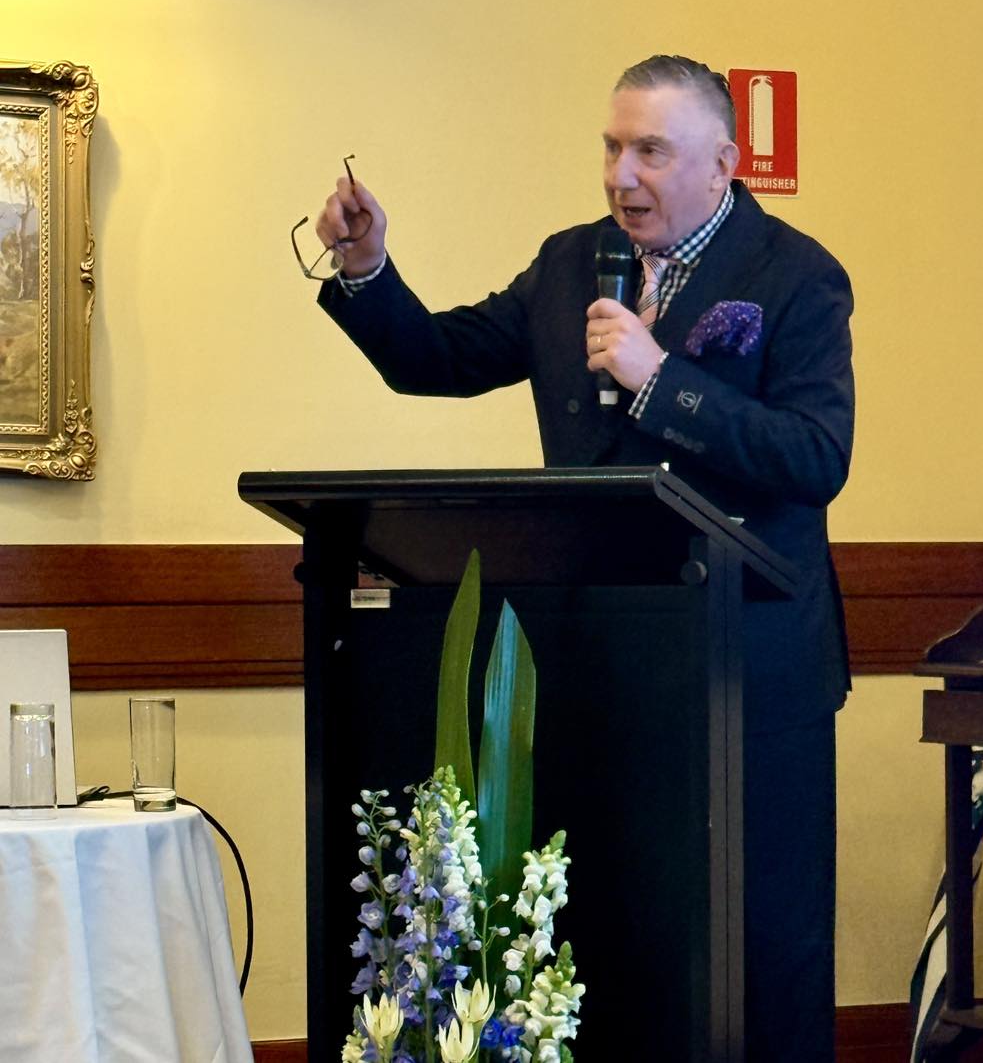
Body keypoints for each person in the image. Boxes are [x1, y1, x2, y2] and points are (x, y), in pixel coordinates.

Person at [313, 54, 854, 1063]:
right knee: (614, 941)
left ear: (724, 164)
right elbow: (440, 359)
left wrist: (664, 382)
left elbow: (817, 457)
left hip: (753, 677)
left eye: (650, 151)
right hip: (607, 663)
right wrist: (365, 272)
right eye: (611, 147)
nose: (621, 176)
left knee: (760, 953)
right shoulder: (570, 264)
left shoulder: (796, 275)